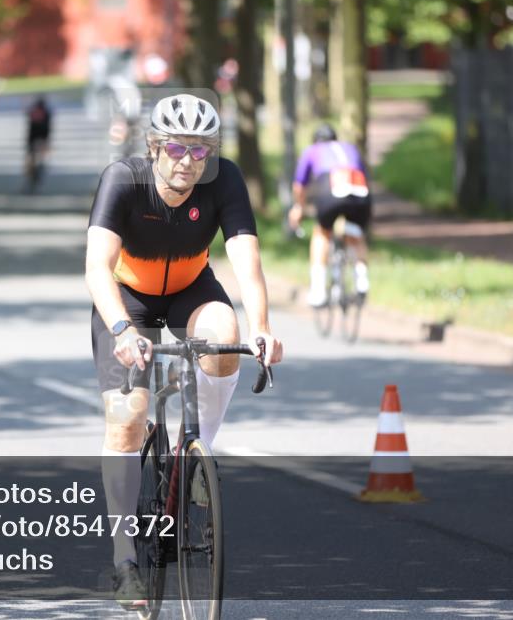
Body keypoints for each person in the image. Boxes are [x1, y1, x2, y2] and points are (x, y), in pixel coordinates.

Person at [85, 94, 283, 610]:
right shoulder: (123, 180)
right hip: (128, 298)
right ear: (154, 146)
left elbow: (247, 260)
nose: (188, 161)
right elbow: (97, 268)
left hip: (191, 288)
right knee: (128, 418)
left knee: (224, 337)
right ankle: (125, 559)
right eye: (176, 148)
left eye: (200, 151)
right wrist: (122, 330)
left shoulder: (225, 180)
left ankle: (197, 459)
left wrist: (262, 328)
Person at [287, 123, 372, 307]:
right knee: (355, 233)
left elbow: (299, 186)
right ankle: (362, 281)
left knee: (322, 233)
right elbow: (365, 175)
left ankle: (318, 292)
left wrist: (299, 207)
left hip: (331, 185)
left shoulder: (312, 150)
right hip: (359, 188)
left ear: (315, 140)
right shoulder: (350, 148)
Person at [25, 95, 52, 193]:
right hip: (40, 140)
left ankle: (33, 180)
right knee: (37, 162)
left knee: (33, 162)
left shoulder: (34, 112)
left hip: (35, 140)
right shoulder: (46, 113)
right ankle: (34, 179)